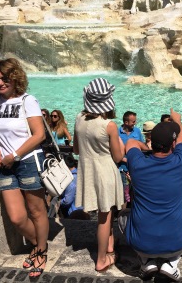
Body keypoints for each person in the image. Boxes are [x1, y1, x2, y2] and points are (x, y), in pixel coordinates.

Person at [123, 109, 182, 281]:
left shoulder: (138, 163)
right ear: (172, 145)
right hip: (177, 243)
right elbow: (181, 138)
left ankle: (147, 261)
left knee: (123, 215)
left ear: (151, 142)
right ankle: (172, 263)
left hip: (142, 244)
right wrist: (177, 121)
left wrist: (144, 147)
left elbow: (131, 143)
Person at [0, 58, 48, 279]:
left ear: (15, 77)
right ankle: (39, 243)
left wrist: (15, 155)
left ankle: (41, 251)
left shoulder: (27, 101)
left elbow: (40, 134)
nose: (0, 82)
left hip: (27, 161)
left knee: (37, 212)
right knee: (17, 217)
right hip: (5, 165)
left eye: (4, 78)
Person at [73, 77, 125, 272]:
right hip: (105, 172)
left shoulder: (79, 118)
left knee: (106, 212)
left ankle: (110, 247)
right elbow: (118, 156)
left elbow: (76, 150)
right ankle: (102, 259)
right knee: (104, 218)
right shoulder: (108, 125)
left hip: (87, 171)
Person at [118, 111, 146, 206]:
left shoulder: (137, 131)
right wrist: (123, 159)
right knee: (123, 194)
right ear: (126, 122)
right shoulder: (117, 133)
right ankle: (122, 215)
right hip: (122, 168)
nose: (135, 123)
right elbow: (113, 150)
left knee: (136, 193)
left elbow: (142, 146)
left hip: (135, 167)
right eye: (133, 121)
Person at [59, 154, 89, 219]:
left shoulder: (70, 180)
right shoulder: (81, 175)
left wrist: (59, 202)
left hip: (74, 213)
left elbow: (67, 200)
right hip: (84, 211)